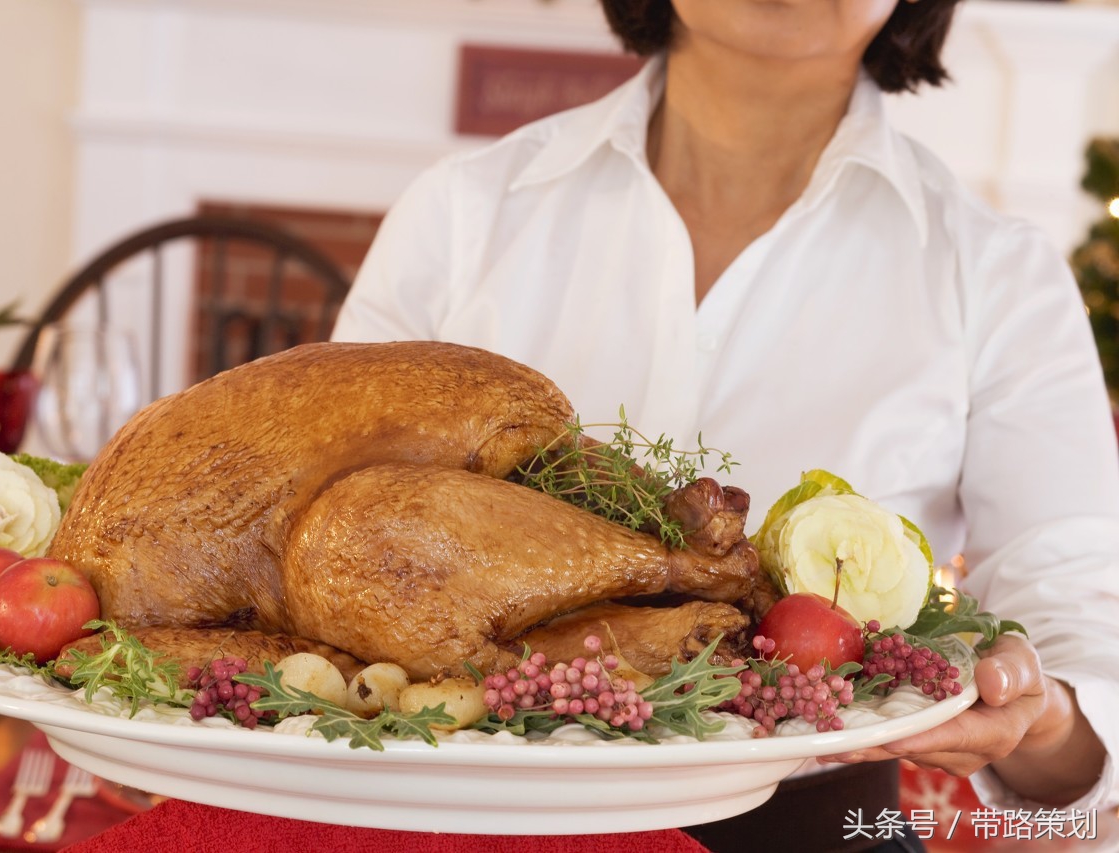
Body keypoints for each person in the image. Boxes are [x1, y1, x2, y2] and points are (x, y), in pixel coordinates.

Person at [332, 0, 1119, 849]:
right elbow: (324, 520)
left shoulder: (998, 271)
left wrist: (1047, 719)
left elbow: (1075, 616)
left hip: (817, 827)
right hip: (448, 809)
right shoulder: (458, 214)